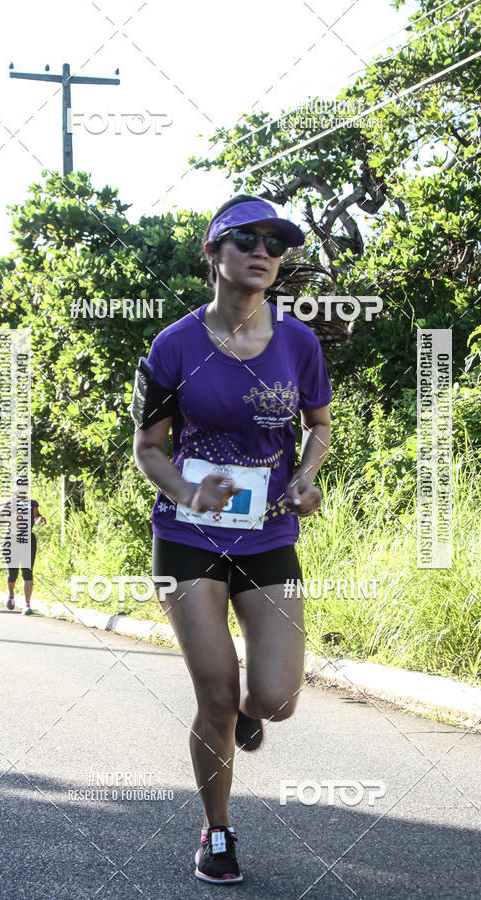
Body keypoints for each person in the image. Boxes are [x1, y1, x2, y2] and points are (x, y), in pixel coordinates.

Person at [132, 195, 332, 884]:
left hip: (269, 532)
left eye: (276, 244)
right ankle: (217, 831)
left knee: (274, 697)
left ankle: (253, 713)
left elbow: (320, 426)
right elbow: (148, 448)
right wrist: (189, 492)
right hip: (187, 535)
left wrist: (305, 477)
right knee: (214, 695)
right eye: (247, 238)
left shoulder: (299, 343)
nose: (264, 251)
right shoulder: (171, 346)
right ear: (213, 254)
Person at [0, 493, 46, 615]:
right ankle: (11, 594)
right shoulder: (8, 504)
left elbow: (36, 516)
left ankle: (27, 604)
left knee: (27, 571)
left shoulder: (32, 503)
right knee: (13, 573)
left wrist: (40, 518)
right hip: (10, 539)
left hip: (28, 539)